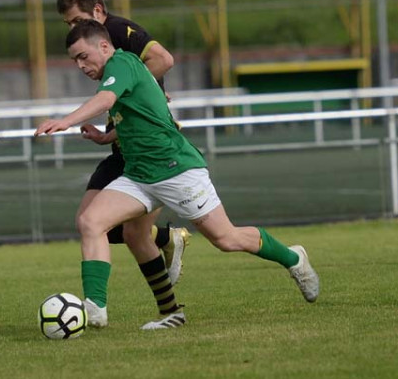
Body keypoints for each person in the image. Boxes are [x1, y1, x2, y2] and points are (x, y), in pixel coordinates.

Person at [34, 20, 319, 330]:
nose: (80, 65)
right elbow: (142, 118)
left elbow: (105, 101)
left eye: (83, 56)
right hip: (140, 176)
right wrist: (105, 138)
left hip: (176, 170)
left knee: (226, 238)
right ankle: (99, 308)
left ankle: (294, 258)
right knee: (91, 221)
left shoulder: (123, 62)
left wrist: (65, 121)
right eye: (75, 60)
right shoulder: (118, 73)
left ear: (104, 46)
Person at [56, 0, 191, 286]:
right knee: (92, 222)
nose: (72, 29)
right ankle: (168, 242)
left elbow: (163, 59)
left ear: (98, 11)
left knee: (221, 235)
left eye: (77, 20)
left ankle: (163, 294)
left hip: (153, 146)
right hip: (124, 142)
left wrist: (143, 90)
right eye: (68, 24)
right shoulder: (91, 43)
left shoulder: (115, 33)